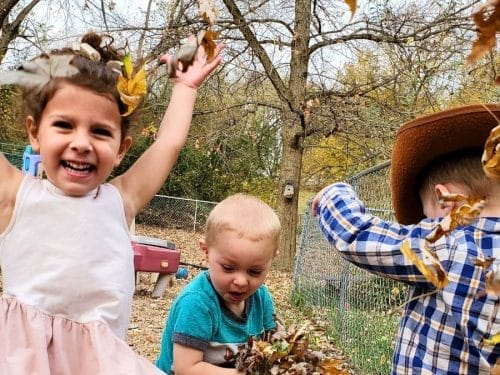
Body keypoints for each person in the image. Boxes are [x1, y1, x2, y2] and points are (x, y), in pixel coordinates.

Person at [0, 31, 222, 374]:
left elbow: (167, 145)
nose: (82, 143)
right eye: (63, 125)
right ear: (35, 133)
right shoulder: (15, 197)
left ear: (121, 149)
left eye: (101, 132)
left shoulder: (120, 201)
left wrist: (185, 89)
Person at [311, 103, 500, 374]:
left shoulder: (452, 243)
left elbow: (356, 234)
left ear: (446, 201)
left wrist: (332, 194)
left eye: (427, 216)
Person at [156, 193, 281, 375]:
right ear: (206, 251)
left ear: (271, 260)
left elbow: (274, 346)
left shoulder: (261, 298)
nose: (241, 281)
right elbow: (186, 369)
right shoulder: (197, 303)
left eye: (254, 271)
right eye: (229, 268)